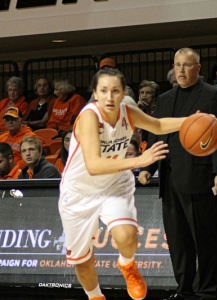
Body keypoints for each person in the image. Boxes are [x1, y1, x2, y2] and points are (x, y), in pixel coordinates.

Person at [58, 67, 187, 300]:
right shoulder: (89, 117)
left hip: (114, 184)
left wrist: (191, 121)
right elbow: (93, 166)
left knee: (127, 237)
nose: (110, 97)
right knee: (83, 260)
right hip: (79, 191)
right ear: (95, 93)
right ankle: (95, 296)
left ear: (123, 92)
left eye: (115, 91)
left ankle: (127, 266)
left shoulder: (128, 112)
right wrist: (140, 160)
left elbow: (157, 126)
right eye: (104, 91)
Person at [138, 48, 217, 300]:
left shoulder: (212, 95)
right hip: (170, 180)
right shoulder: (165, 99)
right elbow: (156, 134)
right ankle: (184, 290)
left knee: (205, 240)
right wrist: (147, 167)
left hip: (200, 179)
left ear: (198, 69)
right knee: (178, 243)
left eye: (187, 65)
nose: (181, 70)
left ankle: (210, 291)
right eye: (177, 65)